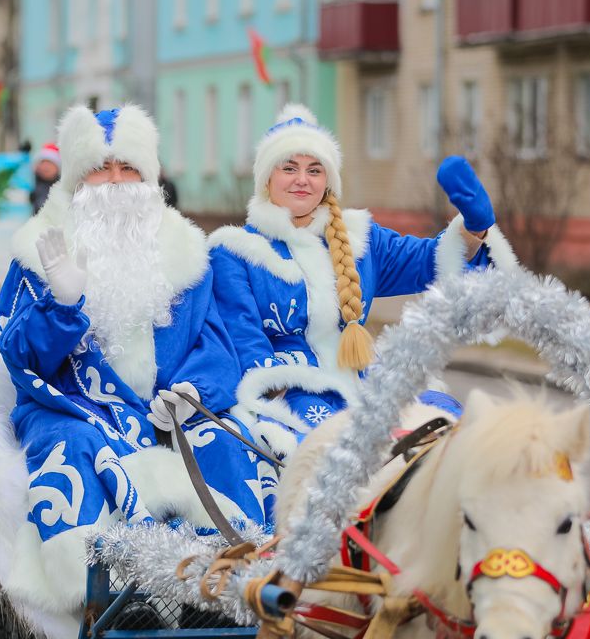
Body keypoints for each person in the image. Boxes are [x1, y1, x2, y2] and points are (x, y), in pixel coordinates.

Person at [0, 105, 276, 617]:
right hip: (71, 409)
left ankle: (235, 582)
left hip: (165, 412)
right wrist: (60, 306)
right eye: (101, 169)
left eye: (129, 169)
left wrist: (193, 393)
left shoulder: (187, 252)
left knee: (226, 441)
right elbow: (20, 356)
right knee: (76, 448)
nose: (116, 183)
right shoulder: (40, 249)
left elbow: (215, 347)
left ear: (150, 176)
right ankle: (104, 596)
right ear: (77, 180)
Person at [208, 104, 518, 457]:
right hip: (288, 393)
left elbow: (429, 262)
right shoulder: (234, 252)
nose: (302, 180)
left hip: (365, 378)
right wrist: (289, 396)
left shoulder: (361, 239)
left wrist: (474, 226)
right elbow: (246, 345)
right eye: (288, 168)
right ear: (266, 178)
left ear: (327, 181)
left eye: (314, 170)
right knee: (351, 453)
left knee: (445, 426)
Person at [29, 142, 61, 215]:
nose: (45, 166)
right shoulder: (33, 183)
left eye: (50, 162)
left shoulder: (62, 187)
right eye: (43, 162)